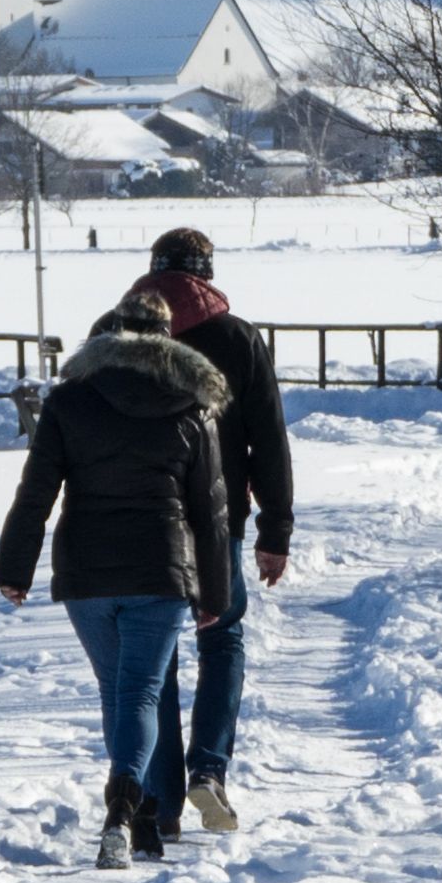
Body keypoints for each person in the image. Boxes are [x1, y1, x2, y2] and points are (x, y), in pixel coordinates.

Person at [0, 282, 237, 863]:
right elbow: (211, 507)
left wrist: (14, 567)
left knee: (118, 693)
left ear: (109, 331)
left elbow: (36, 493)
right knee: (141, 693)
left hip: (88, 572)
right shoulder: (193, 406)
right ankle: (126, 809)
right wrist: (215, 593)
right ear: (165, 339)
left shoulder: (70, 400)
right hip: (159, 568)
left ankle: (142, 813)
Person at [142, 225, 297, 828]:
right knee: (222, 637)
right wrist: (275, 531)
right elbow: (269, 439)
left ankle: (159, 799)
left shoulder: (119, 333)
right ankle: (209, 769)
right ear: (207, 274)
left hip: (143, 519)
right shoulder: (236, 337)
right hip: (219, 516)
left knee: (156, 655)